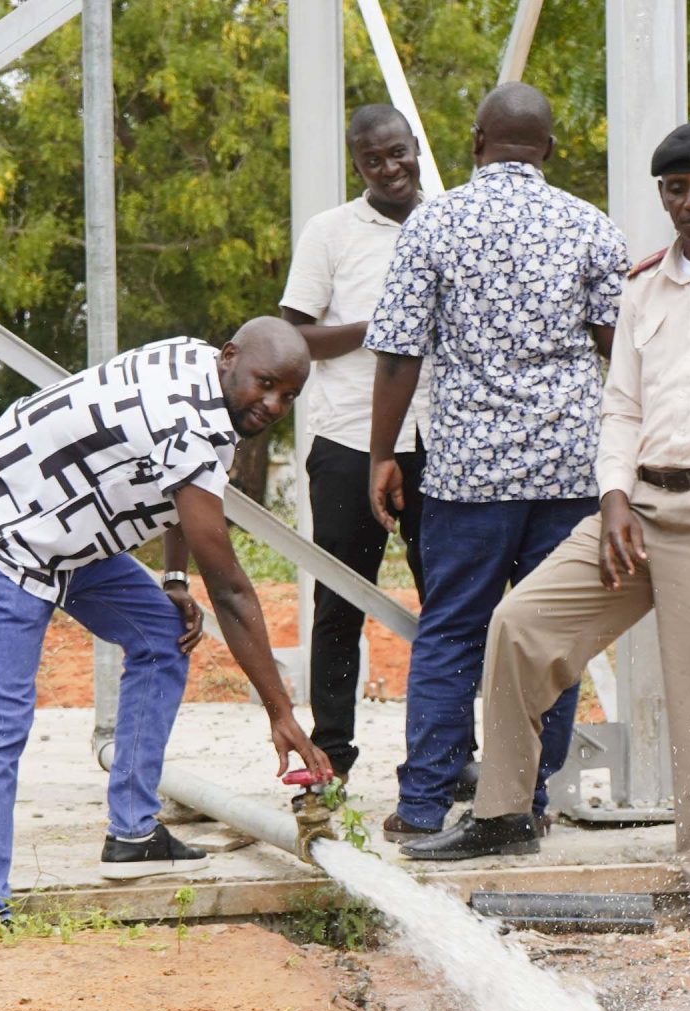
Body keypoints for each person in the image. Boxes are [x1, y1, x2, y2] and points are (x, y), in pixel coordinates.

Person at [403, 121, 690, 935]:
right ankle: (504, 813)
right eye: (678, 189)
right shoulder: (643, 283)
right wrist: (611, 497)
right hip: (639, 509)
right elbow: (622, 405)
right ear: (662, 196)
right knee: (519, 627)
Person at [0, 320, 332, 918]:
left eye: (288, 396)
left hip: (65, 538)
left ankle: (133, 834)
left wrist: (171, 580)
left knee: (162, 636)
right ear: (231, 358)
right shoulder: (189, 420)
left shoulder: (205, 377)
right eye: (266, 385)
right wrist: (281, 712)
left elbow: (177, 489)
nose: (273, 405)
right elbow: (231, 590)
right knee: (0, 726)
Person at [363, 82, 627, 840]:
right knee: (549, 640)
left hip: (467, 476)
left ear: (476, 141)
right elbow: (622, 356)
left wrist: (384, 455)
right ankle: (526, 804)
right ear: (548, 148)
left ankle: (421, 808)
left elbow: (397, 355)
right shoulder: (591, 228)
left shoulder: (432, 225)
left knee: (451, 631)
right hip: (571, 471)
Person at [280, 104, 430, 783]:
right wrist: (384, 329)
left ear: (416, 147)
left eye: (399, 153)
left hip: (442, 439)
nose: (391, 167)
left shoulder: (450, 222)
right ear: (358, 166)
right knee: (341, 599)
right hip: (346, 439)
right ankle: (330, 755)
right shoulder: (331, 232)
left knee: (450, 602)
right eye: (375, 160)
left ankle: (445, 756)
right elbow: (292, 339)